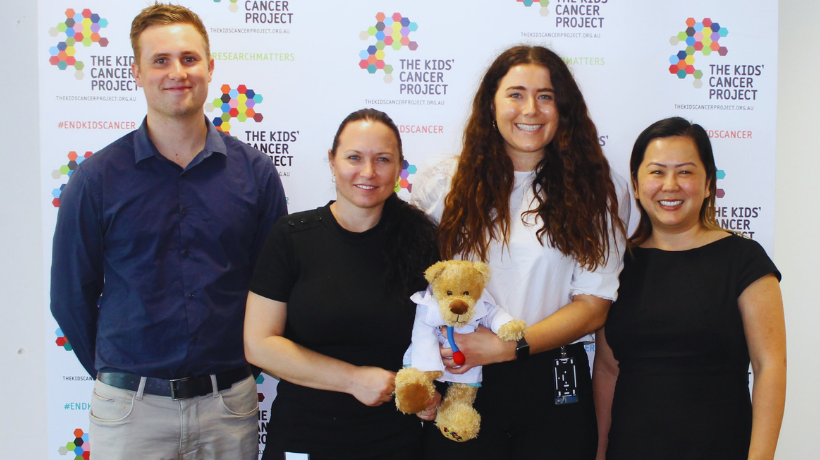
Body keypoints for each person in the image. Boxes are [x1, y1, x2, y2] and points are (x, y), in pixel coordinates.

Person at [50, 4, 287, 459]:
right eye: (160, 60)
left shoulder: (254, 173)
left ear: (210, 67)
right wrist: (120, 381)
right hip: (129, 415)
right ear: (136, 72)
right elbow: (69, 298)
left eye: (189, 58)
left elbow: (272, 290)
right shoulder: (96, 179)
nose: (177, 72)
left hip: (228, 407)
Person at [411, 45, 629, 460]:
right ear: (490, 103)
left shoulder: (598, 190)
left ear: (563, 108)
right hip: (461, 380)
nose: (531, 108)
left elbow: (594, 304)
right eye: (515, 94)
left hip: (553, 382)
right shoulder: (444, 182)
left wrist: (505, 348)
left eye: (546, 96)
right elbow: (415, 287)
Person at [244, 108, 441, 460]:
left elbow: (442, 333)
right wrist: (353, 379)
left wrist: (433, 391)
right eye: (354, 157)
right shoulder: (292, 237)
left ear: (399, 169)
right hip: (304, 438)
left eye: (382, 159)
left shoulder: (422, 241)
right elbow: (259, 345)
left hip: (395, 441)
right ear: (332, 162)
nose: (368, 172)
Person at [592, 117, 786, 460]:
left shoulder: (743, 260)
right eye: (656, 172)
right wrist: (601, 452)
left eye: (685, 172)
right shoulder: (617, 265)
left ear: (708, 183)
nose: (671, 185)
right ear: (636, 185)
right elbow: (607, 369)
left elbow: (769, 365)